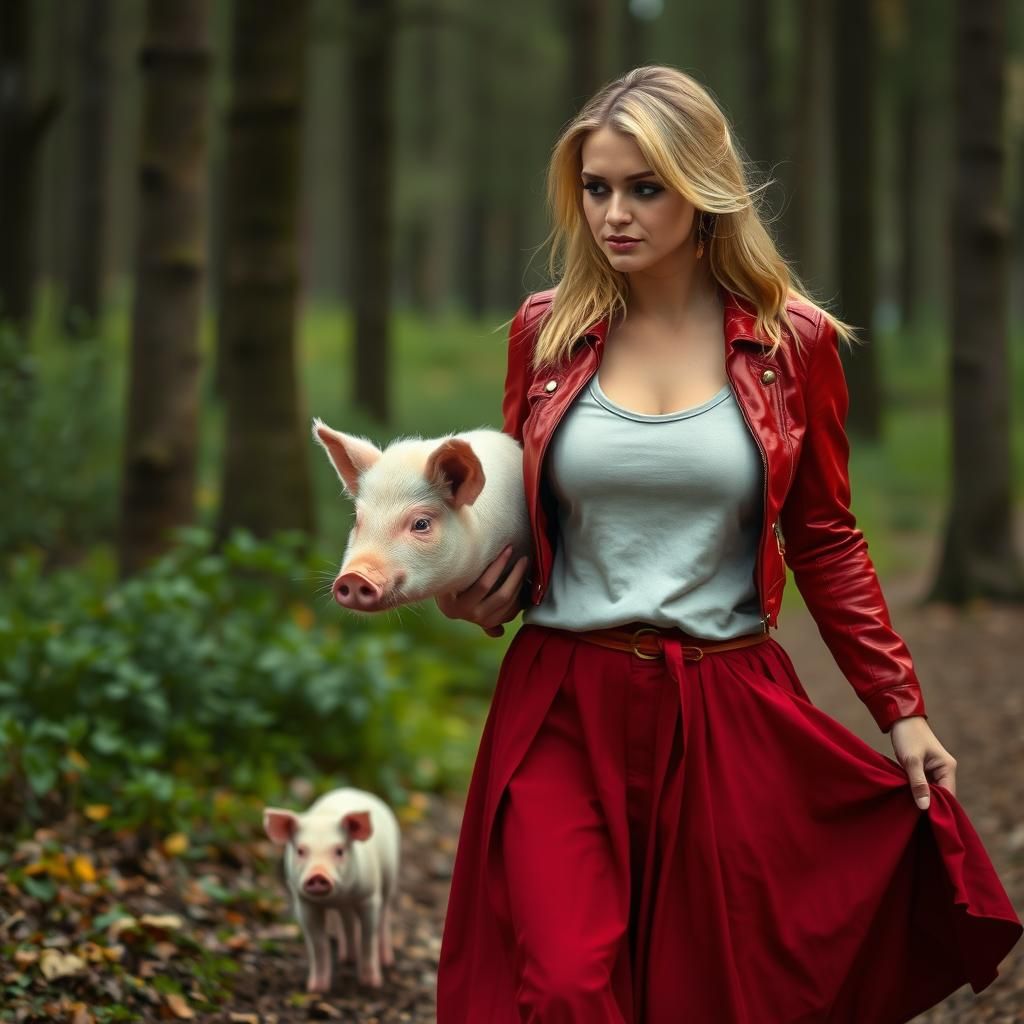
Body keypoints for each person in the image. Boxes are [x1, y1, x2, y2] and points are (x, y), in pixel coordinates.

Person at [433, 65, 1022, 1024]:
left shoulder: (794, 344)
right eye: (596, 188)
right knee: (566, 984)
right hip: (561, 702)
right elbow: (516, 511)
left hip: (723, 701)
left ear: (703, 188)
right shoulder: (546, 334)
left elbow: (824, 534)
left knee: (704, 993)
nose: (614, 213)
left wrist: (900, 709)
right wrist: (469, 588)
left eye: (644, 186)